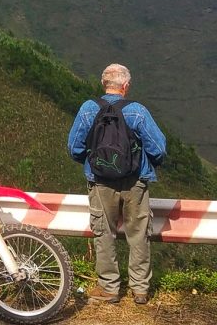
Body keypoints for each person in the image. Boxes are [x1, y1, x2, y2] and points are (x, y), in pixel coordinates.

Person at [67, 63, 167, 305]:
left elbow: (74, 147)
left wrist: (94, 163)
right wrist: (143, 165)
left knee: (104, 233)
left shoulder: (89, 109)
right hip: (135, 183)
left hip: (100, 182)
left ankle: (109, 288)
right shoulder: (138, 112)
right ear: (126, 86)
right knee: (139, 234)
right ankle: (140, 289)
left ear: (104, 84)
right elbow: (159, 148)